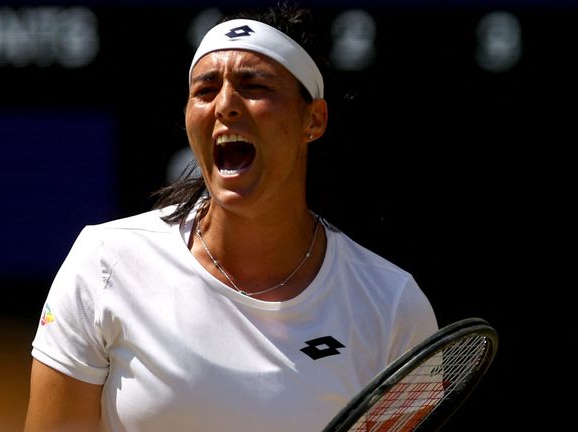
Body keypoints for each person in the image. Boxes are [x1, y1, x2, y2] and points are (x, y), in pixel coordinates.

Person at [24, 3, 438, 431]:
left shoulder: (394, 308)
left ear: (313, 119)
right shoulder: (103, 262)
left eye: (254, 86)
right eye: (204, 91)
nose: (224, 105)